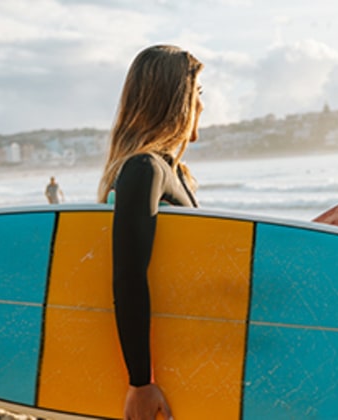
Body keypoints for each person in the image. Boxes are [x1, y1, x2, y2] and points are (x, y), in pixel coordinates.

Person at [96, 44, 203, 420]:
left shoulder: (173, 174)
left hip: (181, 360)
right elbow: (128, 276)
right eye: (197, 95)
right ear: (175, 102)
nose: (201, 108)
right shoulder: (145, 169)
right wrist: (141, 382)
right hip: (154, 375)